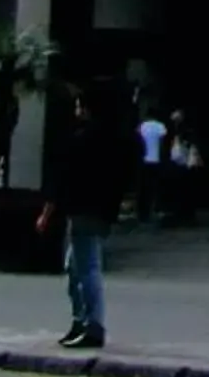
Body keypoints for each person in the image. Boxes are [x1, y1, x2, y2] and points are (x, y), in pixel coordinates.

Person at [38, 91, 139, 349]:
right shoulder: (115, 140)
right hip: (100, 210)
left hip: (82, 208)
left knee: (86, 267)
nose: (76, 110)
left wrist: (47, 213)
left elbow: (63, 179)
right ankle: (82, 321)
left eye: (79, 106)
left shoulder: (83, 139)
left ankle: (92, 324)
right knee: (76, 266)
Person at [134, 105, 169, 223]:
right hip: (156, 160)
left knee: (143, 187)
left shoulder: (142, 126)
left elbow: (138, 142)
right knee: (155, 187)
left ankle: (142, 212)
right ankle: (154, 209)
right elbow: (162, 144)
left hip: (144, 160)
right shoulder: (160, 127)